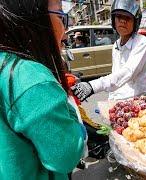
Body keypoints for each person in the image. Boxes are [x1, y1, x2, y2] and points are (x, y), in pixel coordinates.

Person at [0, 0, 85, 179]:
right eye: (61, 15)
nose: (65, 31)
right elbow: (65, 156)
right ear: (33, 16)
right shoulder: (32, 79)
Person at [71, 0, 146, 101]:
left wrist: (93, 86)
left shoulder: (141, 41)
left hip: (138, 99)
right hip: (118, 99)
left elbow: (127, 72)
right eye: (119, 17)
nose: (122, 21)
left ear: (135, 22)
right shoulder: (116, 45)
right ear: (114, 20)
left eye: (127, 18)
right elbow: (115, 74)